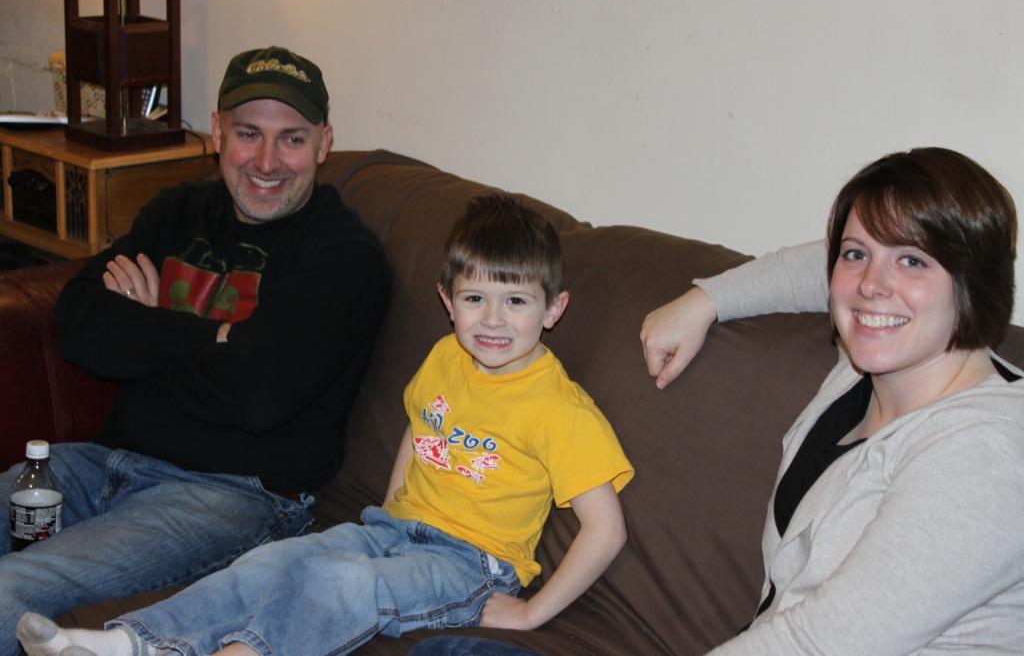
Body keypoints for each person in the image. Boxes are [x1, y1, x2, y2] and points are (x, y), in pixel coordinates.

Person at [407, 146, 1024, 656]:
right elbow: (821, 267)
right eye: (858, 254)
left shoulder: (986, 454)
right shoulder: (868, 367)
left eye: (912, 261)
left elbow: (825, 640)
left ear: (975, 283)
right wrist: (704, 302)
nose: (872, 284)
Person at [17, 194, 634, 656]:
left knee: (338, 584)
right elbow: (420, 427)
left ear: (553, 309)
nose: (492, 320)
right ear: (448, 302)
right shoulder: (447, 356)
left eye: (516, 301)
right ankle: (129, 642)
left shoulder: (559, 409)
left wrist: (531, 613)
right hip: (392, 531)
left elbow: (605, 530)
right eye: (475, 299)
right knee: (268, 564)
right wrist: (390, 511)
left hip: (469, 564)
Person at [1, 46, 389, 656]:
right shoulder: (178, 211)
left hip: (229, 496)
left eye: (291, 139)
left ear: (324, 143)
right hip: (102, 464)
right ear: (217, 133)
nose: (267, 161)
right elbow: (78, 323)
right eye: (248, 134)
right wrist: (207, 337)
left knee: (12, 589)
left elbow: (259, 396)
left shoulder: (344, 257)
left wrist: (147, 326)